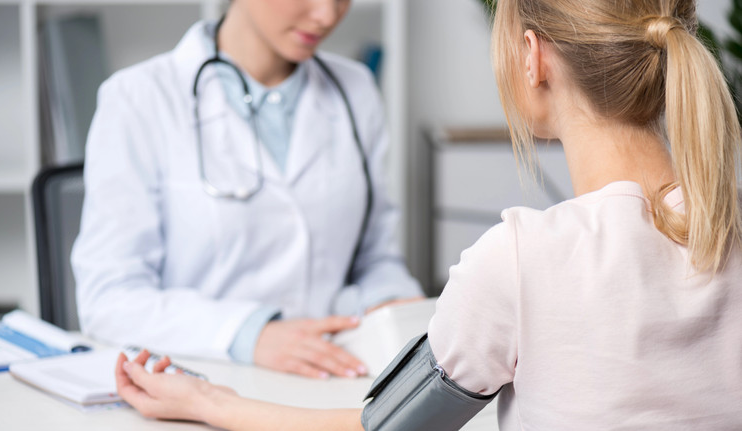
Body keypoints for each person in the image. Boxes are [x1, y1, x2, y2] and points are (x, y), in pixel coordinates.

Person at [113, 0, 742, 429]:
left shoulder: (520, 258)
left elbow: (387, 427)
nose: (327, 13)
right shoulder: (729, 224)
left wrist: (211, 403)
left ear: (532, 57)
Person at [72, 0, 423, 380]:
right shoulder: (139, 97)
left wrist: (395, 306)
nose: (326, 15)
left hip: (333, 372)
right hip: (200, 377)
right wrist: (248, 334)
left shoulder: (355, 89)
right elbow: (109, 298)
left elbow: (374, 258)